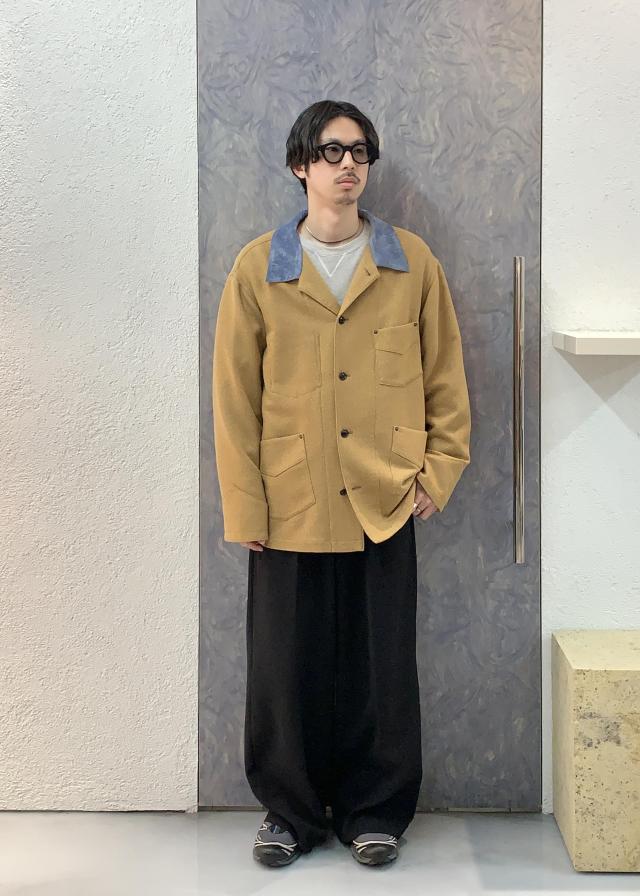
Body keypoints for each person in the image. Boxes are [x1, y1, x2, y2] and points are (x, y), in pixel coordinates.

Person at [212, 99, 471, 867]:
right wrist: (245, 505)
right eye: (331, 151)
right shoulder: (258, 269)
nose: (348, 164)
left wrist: (439, 471)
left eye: (359, 151)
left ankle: (376, 808)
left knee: (379, 666)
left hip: (384, 496)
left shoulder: (410, 263)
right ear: (300, 165)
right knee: (283, 667)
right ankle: (289, 813)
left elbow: (445, 377)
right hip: (288, 500)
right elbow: (234, 400)